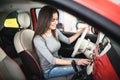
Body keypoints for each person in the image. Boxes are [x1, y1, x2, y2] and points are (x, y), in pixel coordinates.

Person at [32, 5, 90, 79]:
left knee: (85, 63)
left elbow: (68, 41)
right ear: (45, 19)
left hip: (59, 60)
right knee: (80, 67)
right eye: (53, 20)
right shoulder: (38, 39)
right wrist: (76, 62)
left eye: (57, 19)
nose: (56, 22)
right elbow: (52, 60)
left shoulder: (55, 31)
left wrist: (80, 32)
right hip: (49, 70)